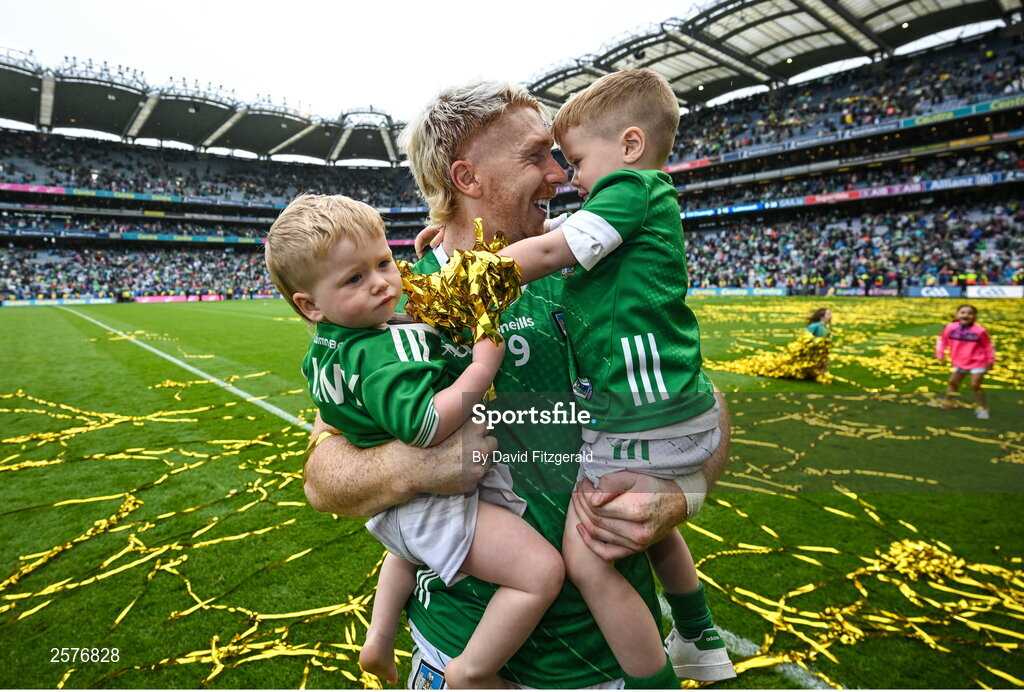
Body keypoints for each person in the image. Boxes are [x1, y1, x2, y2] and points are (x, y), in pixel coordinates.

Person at [301, 80, 733, 689]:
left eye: (560, 156)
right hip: (464, 656)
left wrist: (684, 490)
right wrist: (415, 466)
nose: (560, 175)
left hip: (613, 663)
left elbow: (704, 401)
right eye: (537, 156)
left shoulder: (592, 265)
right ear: (468, 178)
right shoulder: (397, 302)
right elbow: (324, 474)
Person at [263, 194, 564, 688]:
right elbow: (426, 425)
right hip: (430, 504)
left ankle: (379, 639)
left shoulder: (331, 344)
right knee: (541, 573)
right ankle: (473, 671)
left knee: (405, 552)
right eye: (356, 279)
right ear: (310, 305)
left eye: (383, 262)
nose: (383, 282)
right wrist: (483, 365)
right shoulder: (380, 353)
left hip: (398, 515)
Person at [494, 68, 734, 687]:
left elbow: (547, 252)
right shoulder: (635, 200)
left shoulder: (630, 189)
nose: (568, 179)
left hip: (643, 418)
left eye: (573, 162)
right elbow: (552, 236)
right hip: (674, 413)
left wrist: (467, 272)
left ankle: (653, 681)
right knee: (643, 522)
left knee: (588, 553)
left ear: (629, 146)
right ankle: (699, 633)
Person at [936, 304, 996, 419]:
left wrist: (990, 360)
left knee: (975, 385)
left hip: (978, 361)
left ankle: (982, 408)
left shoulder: (980, 330)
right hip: (959, 361)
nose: (966, 315)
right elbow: (942, 340)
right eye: (963, 312)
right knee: (953, 382)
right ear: (957, 315)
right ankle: (949, 403)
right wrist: (940, 353)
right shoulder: (950, 327)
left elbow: (988, 346)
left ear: (974, 316)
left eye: (970, 313)